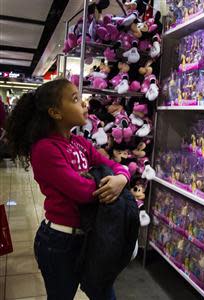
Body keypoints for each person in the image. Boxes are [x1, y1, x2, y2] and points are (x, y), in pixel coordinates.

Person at [5, 78, 129, 300]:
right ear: (56, 113)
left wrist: (121, 178)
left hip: (89, 237)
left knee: (105, 293)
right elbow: (81, 191)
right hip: (58, 243)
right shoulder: (44, 149)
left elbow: (112, 165)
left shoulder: (79, 143)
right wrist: (109, 185)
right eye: (75, 99)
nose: (84, 104)